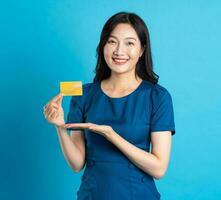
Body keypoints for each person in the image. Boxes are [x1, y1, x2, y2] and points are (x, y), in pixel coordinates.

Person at [43, 11, 176, 200]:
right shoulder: (83, 94)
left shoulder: (158, 97)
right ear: (103, 46)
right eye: (112, 41)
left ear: (142, 50)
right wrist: (60, 127)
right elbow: (77, 164)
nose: (119, 51)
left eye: (130, 43)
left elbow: (159, 168)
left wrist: (111, 135)